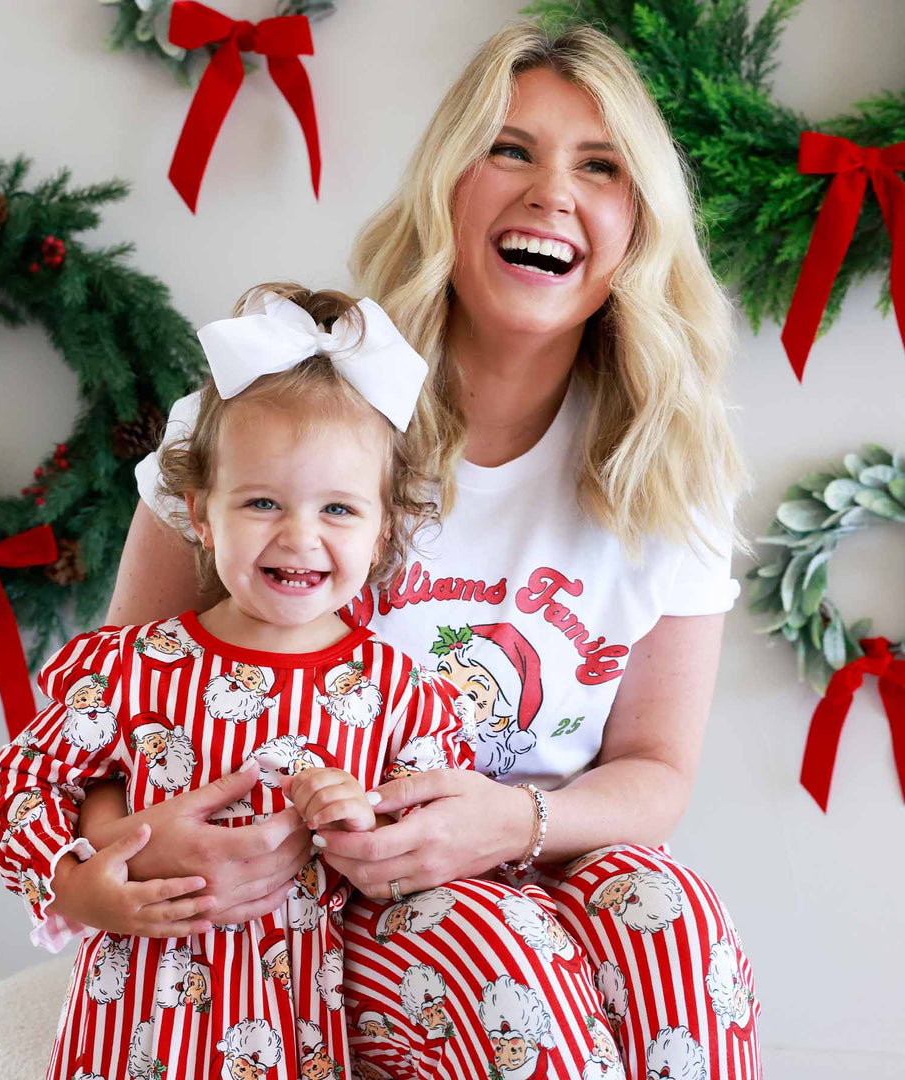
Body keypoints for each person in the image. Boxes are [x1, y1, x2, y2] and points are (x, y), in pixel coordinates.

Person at [58, 20, 761, 1080]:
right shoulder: (283, 410)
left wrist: (516, 821)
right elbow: (112, 708)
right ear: (448, 183)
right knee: (496, 948)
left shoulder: (671, 463)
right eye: (511, 149)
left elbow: (657, 772)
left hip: (541, 857)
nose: (551, 195)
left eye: (600, 167)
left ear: (638, 227)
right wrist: (134, 847)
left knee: (675, 914)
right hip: (325, 909)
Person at [0, 283, 494, 1079]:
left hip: (297, 1025)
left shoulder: (395, 687)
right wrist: (80, 889)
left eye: (339, 510)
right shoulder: (133, 666)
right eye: (261, 502)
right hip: (134, 1024)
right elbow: (19, 783)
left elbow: (425, 839)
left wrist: (354, 817)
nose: (300, 535)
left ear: (384, 528)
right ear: (201, 511)